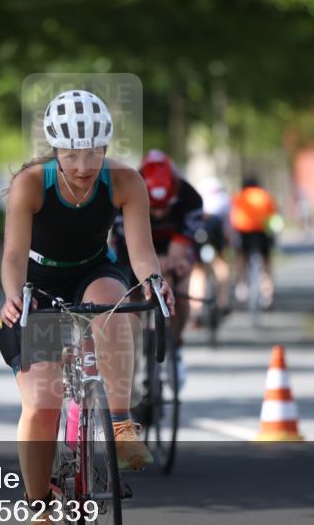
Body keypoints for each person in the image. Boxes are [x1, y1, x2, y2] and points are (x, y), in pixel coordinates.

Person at [0, 90, 174, 525]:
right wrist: (15, 296)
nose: (82, 165)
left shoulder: (124, 181)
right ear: (56, 149)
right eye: (71, 155)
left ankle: (119, 423)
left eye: (92, 153)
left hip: (93, 271)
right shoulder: (32, 184)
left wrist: (155, 283)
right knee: (42, 404)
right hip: (38, 284)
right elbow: (12, 256)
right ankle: (38, 518)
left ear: (105, 147)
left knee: (113, 306)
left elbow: (140, 252)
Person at [112, 150, 204, 385]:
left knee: (179, 286)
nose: (160, 213)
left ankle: (175, 343)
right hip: (133, 246)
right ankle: (129, 363)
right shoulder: (127, 192)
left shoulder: (190, 198)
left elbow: (181, 246)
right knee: (129, 303)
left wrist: (172, 264)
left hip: (173, 247)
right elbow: (128, 246)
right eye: (155, 207)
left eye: (166, 208)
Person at [229, 176, 278, 308]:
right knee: (267, 261)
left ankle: (241, 286)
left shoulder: (239, 196)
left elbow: (233, 217)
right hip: (262, 232)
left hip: (244, 232)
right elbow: (273, 216)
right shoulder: (265, 196)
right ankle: (267, 294)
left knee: (241, 257)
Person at [193, 175, 232, 315]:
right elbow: (228, 224)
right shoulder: (224, 199)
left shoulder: (196, 199)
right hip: (215, 230)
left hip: (199, 229)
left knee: (198, 270)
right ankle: (223, 301)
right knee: (220, 263)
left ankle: (197, 308)